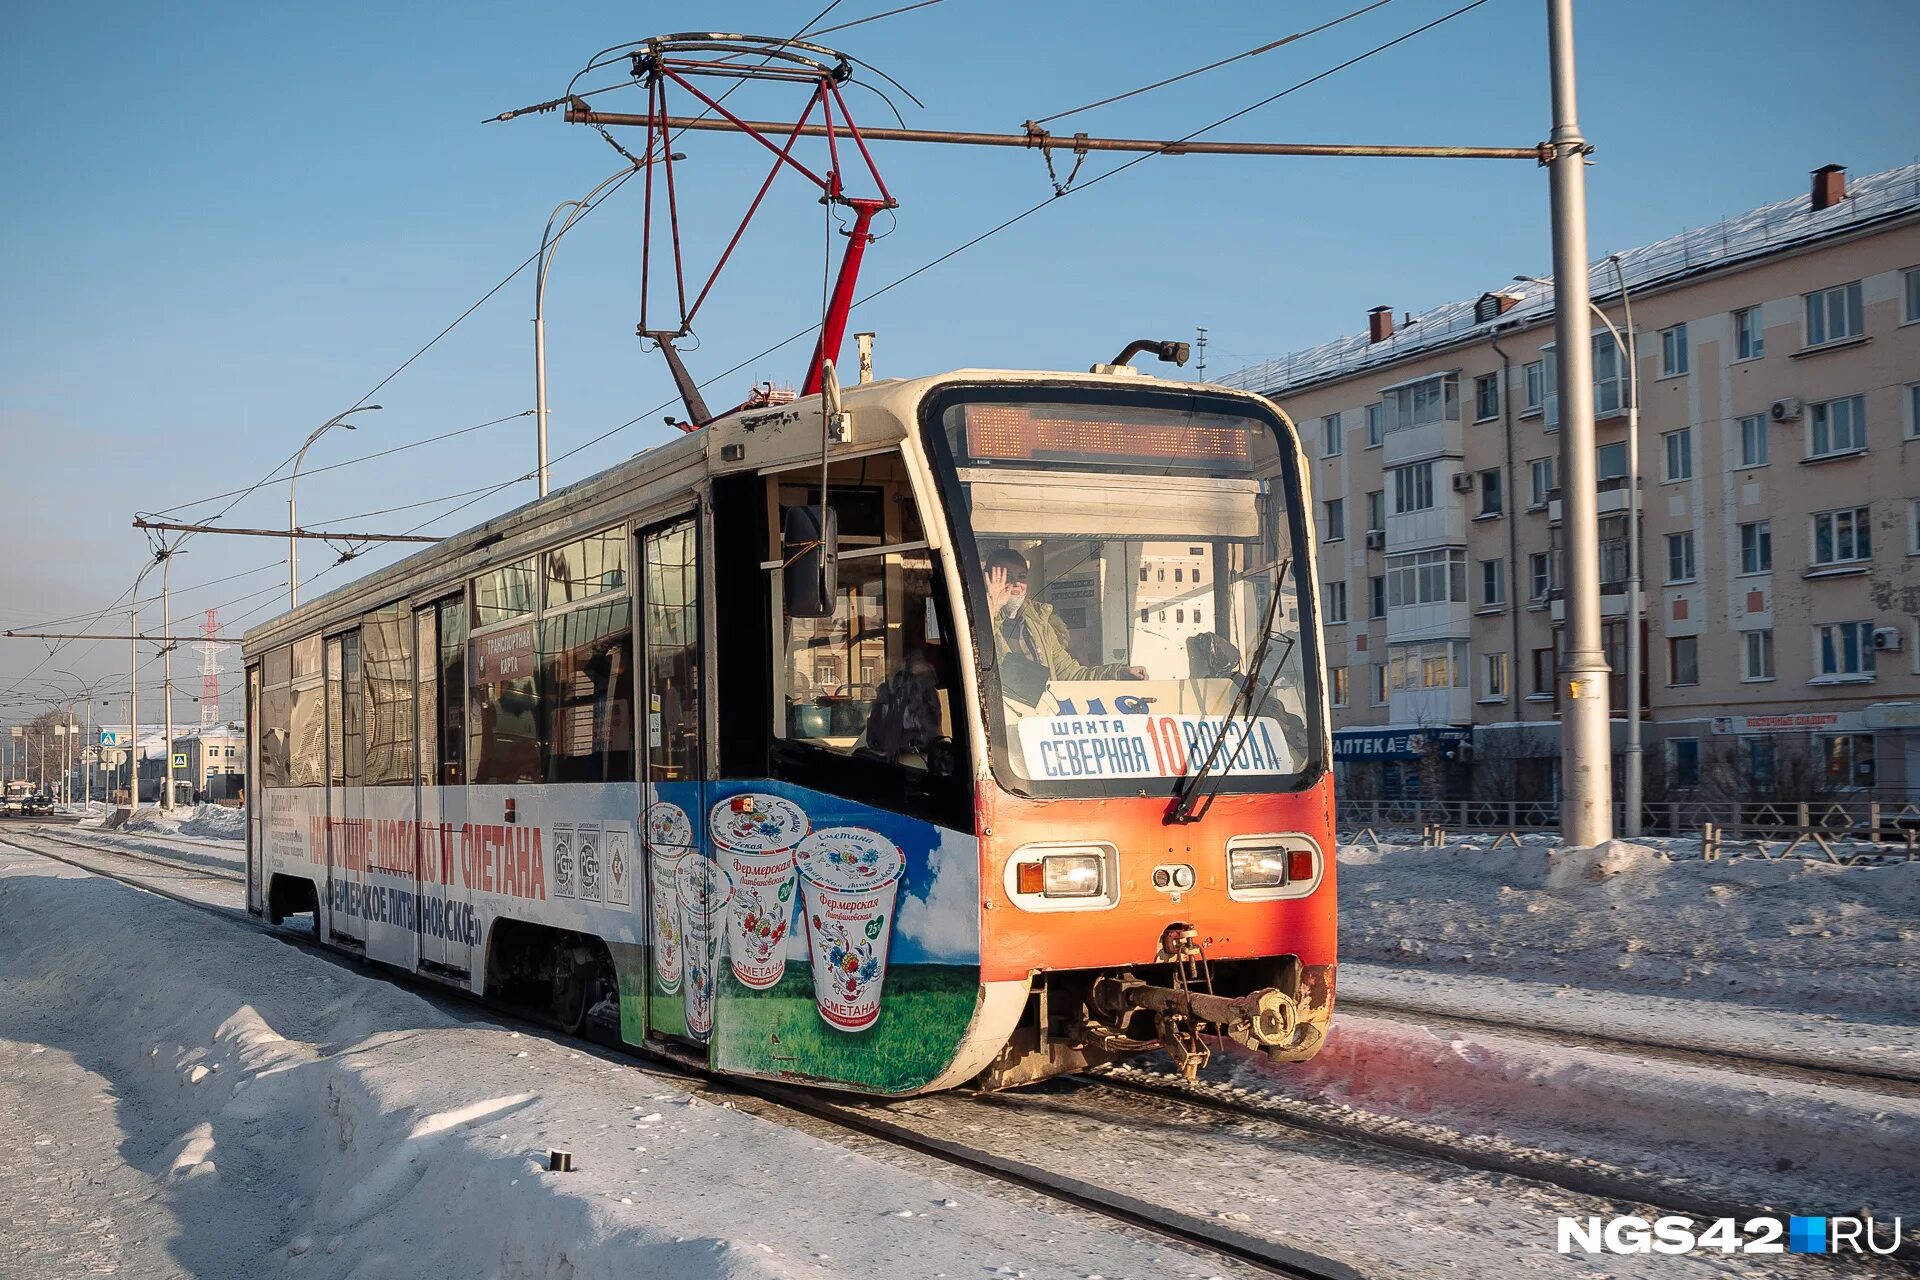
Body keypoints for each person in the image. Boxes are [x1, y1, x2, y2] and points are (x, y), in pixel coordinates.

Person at [983, 548, 1145, 682]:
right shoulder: (968, 621)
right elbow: (979, 660)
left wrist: (1119, 674)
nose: (1017, 583)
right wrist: (993, 608)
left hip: (1040, 716)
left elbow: (1070, 675)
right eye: (1007, 577)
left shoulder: (1039, 624)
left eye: (1021, 577)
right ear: (988, 580)